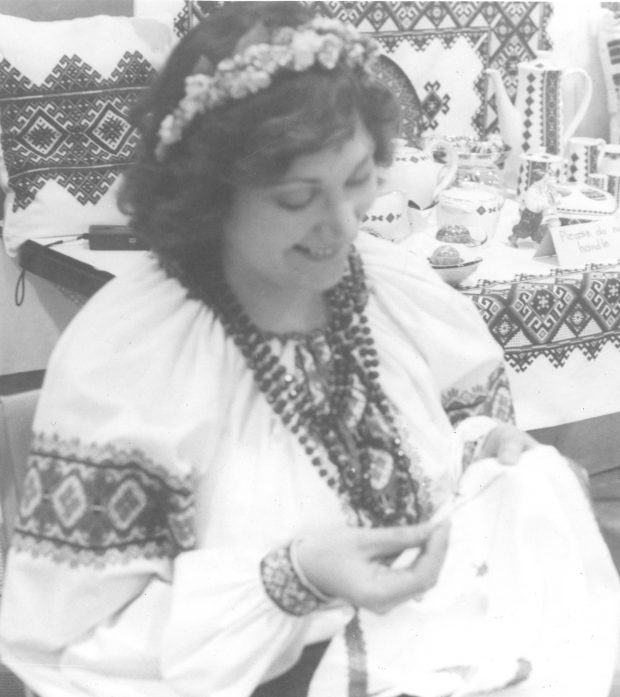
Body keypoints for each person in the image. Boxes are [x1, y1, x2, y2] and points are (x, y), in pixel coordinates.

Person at [0, 4, 618, 696]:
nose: (341, 224)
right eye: (298, 197)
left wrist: (482, 451)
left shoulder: (390, 291)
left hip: (425, 651)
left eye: (357, 179)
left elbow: (422, 455)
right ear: (212, 195)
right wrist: (294, 578)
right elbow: (78, 649)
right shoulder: (136, 354)